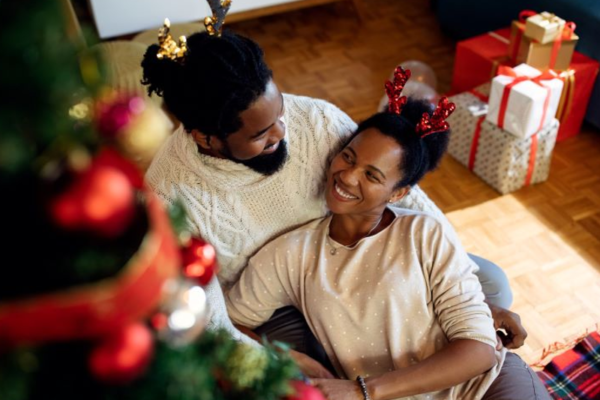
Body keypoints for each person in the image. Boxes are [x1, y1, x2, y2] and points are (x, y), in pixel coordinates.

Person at [141, 27, 524, 357]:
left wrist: (472, 296)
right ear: (206, 137)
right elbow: (209, 316)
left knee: (489, 282)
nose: (281, 133)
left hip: (357, 247)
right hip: (272, 302)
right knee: (342, 359)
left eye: (280, 113)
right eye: (261, 134)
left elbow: (398, 188)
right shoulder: (169, 197)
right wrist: (274, 359)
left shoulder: (316, 119)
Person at [225, 91, 551, 400]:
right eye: (348, 157)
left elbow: (479, 349)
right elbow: (226, 322)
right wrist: (286, 357)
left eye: (372, 175)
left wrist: (361, 391)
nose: (348, 177)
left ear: (398, 193)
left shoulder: (424, 232)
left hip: (482, 388)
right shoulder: (290, 254)